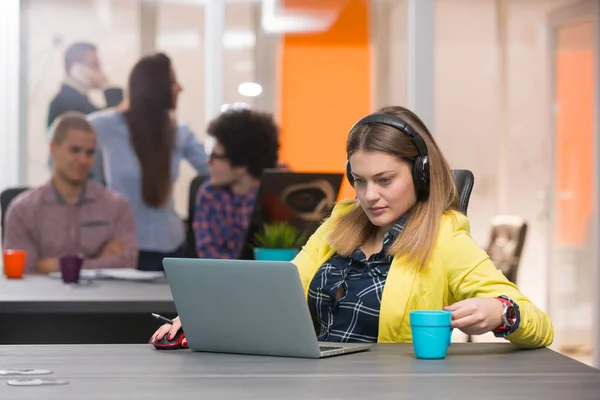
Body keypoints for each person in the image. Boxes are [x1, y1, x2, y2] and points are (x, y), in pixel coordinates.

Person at [151, 106, 553, 349]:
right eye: (359, 180)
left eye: (384, 179)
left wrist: (501, 312)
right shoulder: (340, 224)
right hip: (314, 383)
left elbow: (541, 326)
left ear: (423, 174)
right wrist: (207, 318)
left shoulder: (445, 238)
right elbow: (282, 288)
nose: (369, 195)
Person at [88, 53, 209, 271]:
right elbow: (67, 151)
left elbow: (212, 168)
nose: (179, 88)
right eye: (172, 82)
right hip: (120, 247)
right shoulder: (103, 126)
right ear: (155, 88)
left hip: (170, 247)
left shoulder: (179, 132)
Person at [4, 112, 137, 273]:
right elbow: (23, 271)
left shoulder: (117, 207)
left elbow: (127, 262)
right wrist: (98, 261)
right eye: (75, 150)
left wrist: (56, 266)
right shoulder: (22, 210)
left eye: (89, 153)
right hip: (45, 297)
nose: (83, 160)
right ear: (53, 149)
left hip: (100, 297)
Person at [192, 109, 280, 259]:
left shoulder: (277, 193)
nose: (208, 162)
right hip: (223, 280)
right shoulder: (209, 194)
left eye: (216, 156)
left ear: (241, 165)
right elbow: (210, 257)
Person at [47, 42, 122, 127]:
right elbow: (111, 124)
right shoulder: (67, 102)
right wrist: (107, 86)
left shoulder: (76, 100)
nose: (100, 71)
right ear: (78, 70)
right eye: (95, 64)